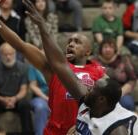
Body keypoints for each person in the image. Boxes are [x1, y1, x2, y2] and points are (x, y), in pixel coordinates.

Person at [22, 0, 138, 134]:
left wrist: (43, 27)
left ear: (101, 99)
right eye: (70, 41)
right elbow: (58, 63)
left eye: (92, 87)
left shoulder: (117, 129)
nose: (87, 88)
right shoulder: (89, 106)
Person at [0, 1, 105, 135]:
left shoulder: (100, 72)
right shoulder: (53, 68)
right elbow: (20, 45)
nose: (71, 44)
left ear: (88, 51)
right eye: (69, 42)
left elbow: (108, 105)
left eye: (77, 42)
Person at [0, 43, 32, 134]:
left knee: (25, 105)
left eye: (10, 54)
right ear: (0, 55)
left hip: (17, 99)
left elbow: (24, 89)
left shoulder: (23, 67)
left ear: (15, 54)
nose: (8, 57)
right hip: (0, 99)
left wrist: (15, 99)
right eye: (5, 54)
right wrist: (2, 99)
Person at [92, 38, 137, 111]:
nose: (108, 49)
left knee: (127, 104)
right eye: (105, 47)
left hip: (121, 92)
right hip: (99, 93)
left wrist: (121, 92)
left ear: (115, 49)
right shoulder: (93, 61)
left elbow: (132, 79)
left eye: (111, 47)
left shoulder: (124, 59)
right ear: (101, 49)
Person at [28, 65, 49, 135]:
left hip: (56, 96)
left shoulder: (56, 64)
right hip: (40, 97)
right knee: (41, 107)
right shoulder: (33, 67)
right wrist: (46, 98)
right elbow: (32, 86)